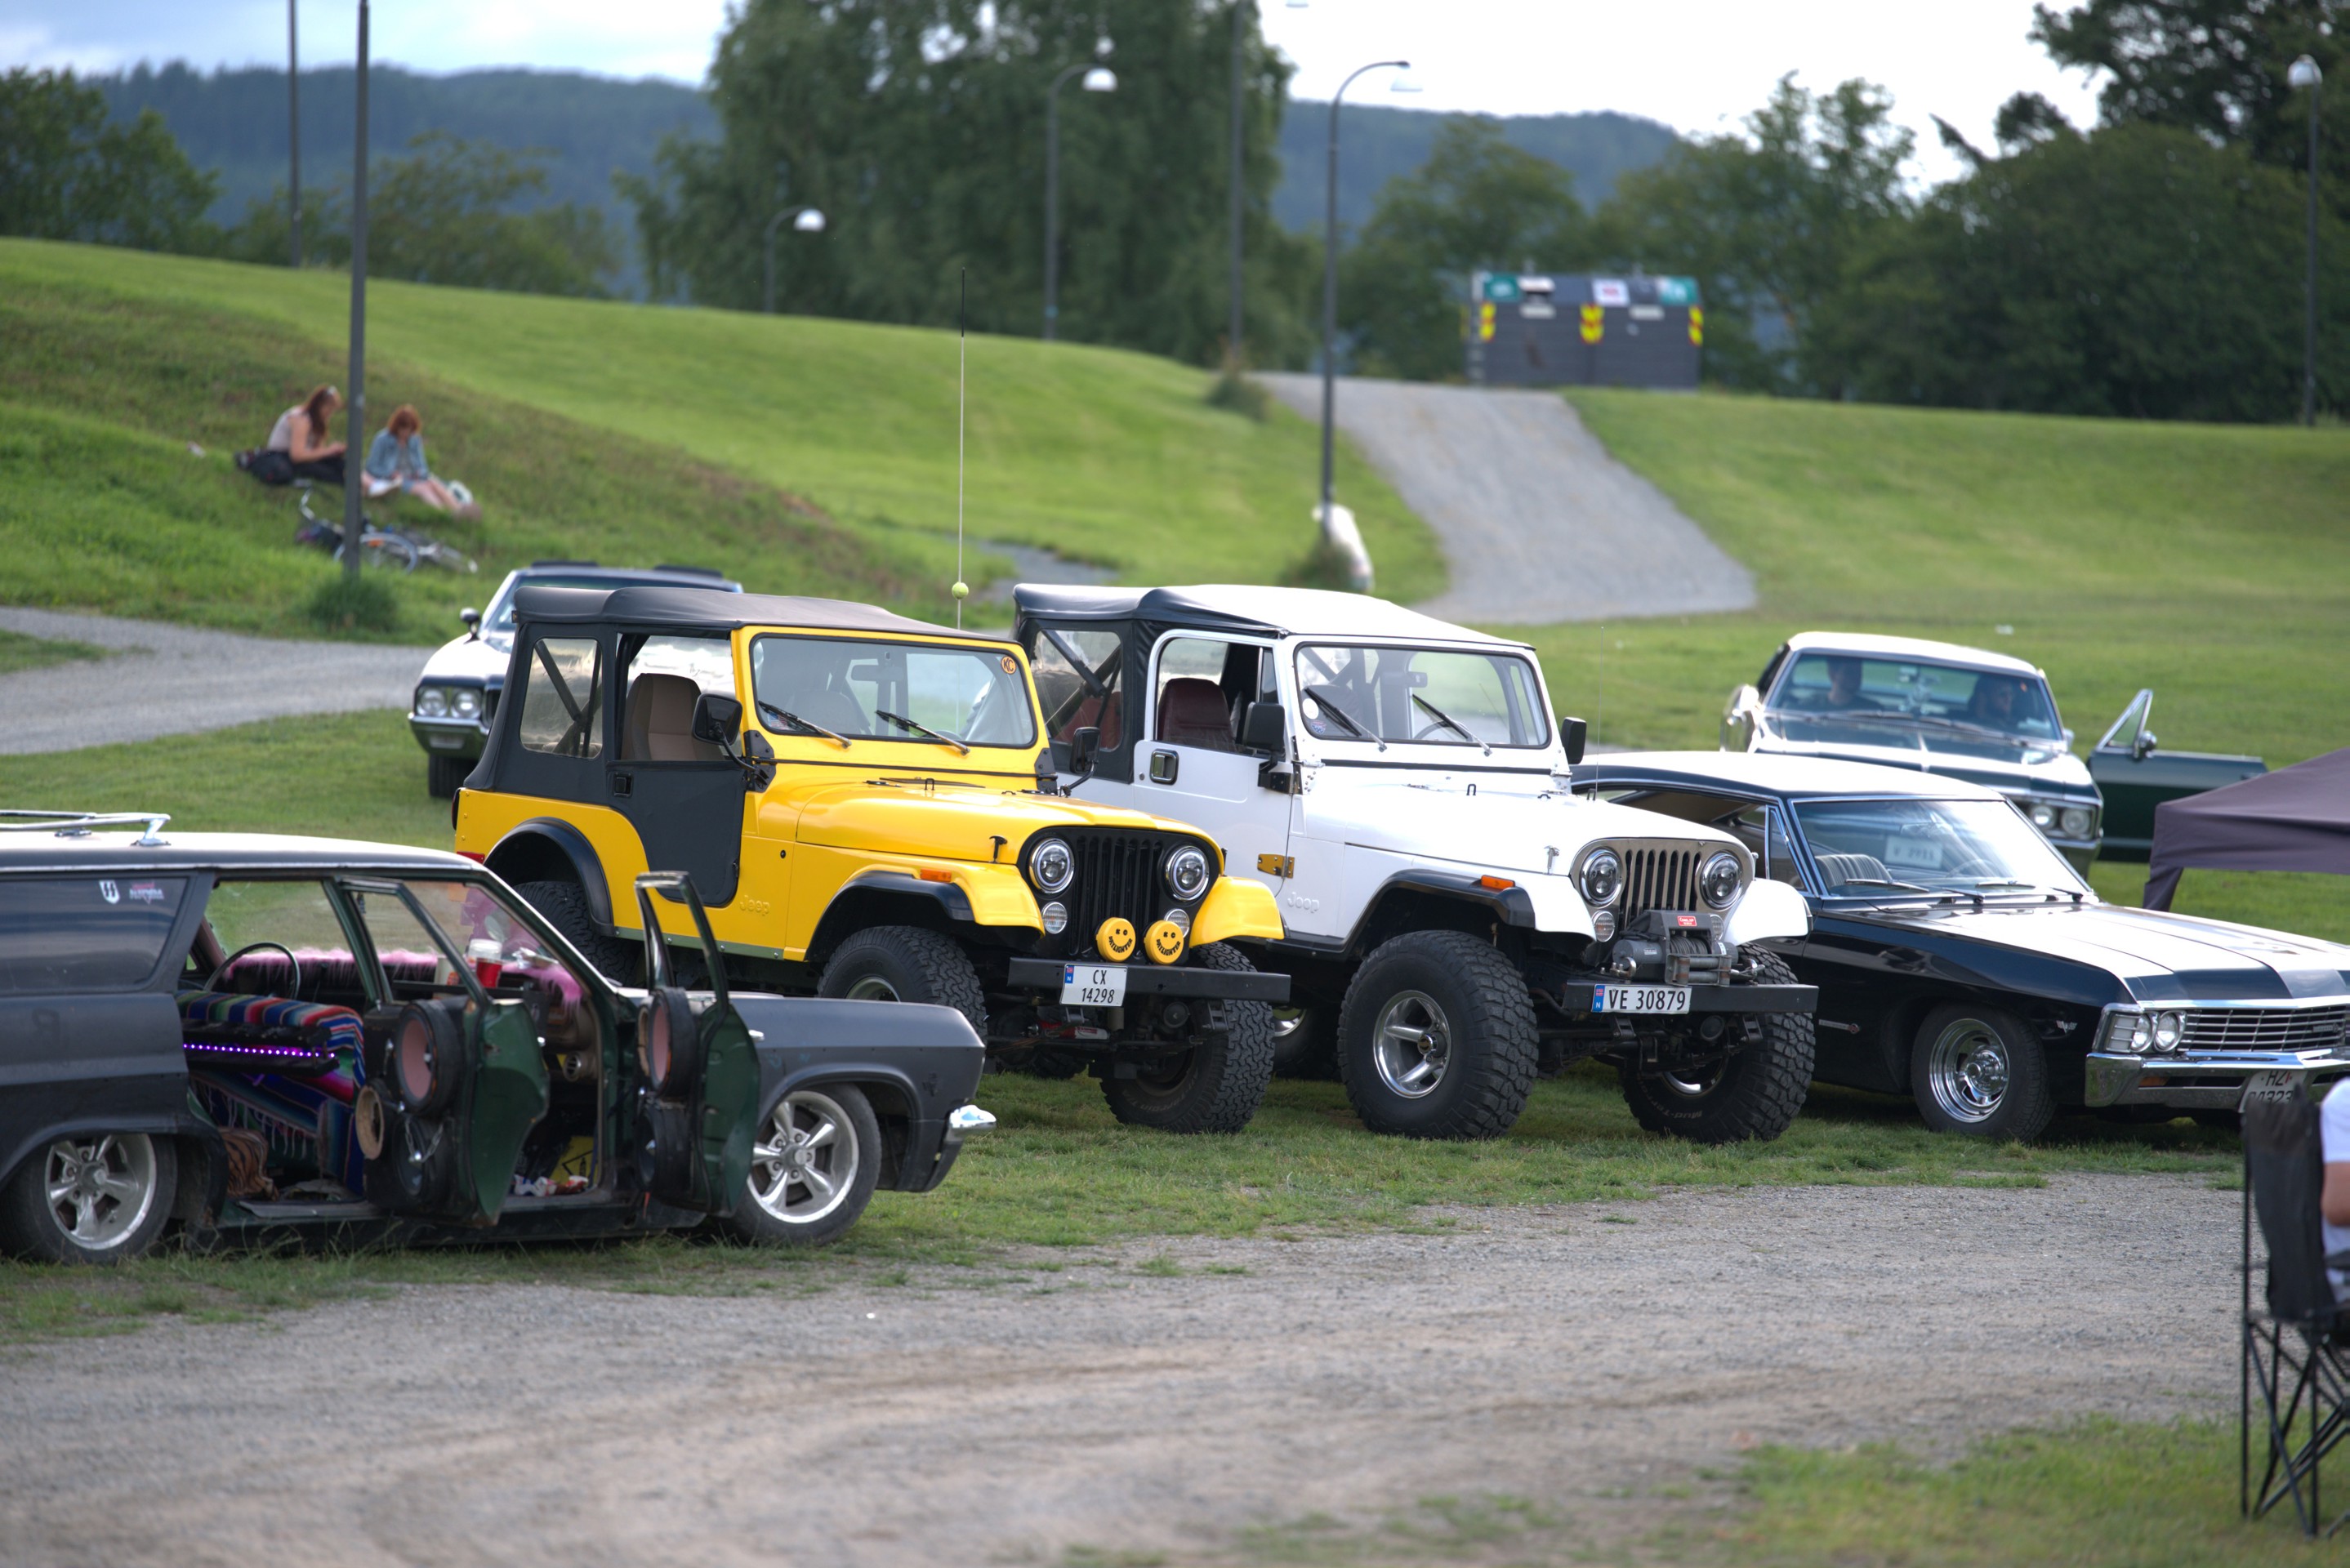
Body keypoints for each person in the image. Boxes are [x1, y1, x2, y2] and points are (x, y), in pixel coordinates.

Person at [364, 404, 479, 519]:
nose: (405, 433)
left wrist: (420, 472)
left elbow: (423, 466)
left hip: (413, 477)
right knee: (424, 489)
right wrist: (390, 473)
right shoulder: (382, 439)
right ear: (396, 427)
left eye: (408, 430)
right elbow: (371, 467)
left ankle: (458, 509)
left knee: (433, 482)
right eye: (403, 429)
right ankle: (444, 513)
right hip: (395, 481)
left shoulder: (414, 440)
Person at [258, 385, 346, 485]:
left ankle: (356, 478)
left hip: (302, 456)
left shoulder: (318, 421)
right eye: (328, 410)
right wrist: (328, 451)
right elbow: (297, 456)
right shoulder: (301, 419)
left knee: (338, 463)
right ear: (319, 405)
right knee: (325, 471)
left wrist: (333, 452)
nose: (329, 414)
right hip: (283, 456)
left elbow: (317, 450)